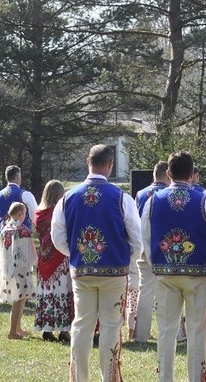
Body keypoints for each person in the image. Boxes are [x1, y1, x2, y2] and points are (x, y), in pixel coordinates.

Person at [51, 144, 142, 382]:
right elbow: (136, 238)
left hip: (82, 271)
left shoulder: (68, 197)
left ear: (87, 161)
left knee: (82, 324)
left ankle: (79, 378)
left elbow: (57, 236)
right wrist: (125, 258)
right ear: (110, 164)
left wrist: (76, 254)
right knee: (111, 327)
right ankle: (109, 377)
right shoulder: (121, 197)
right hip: (114, 272)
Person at [144, 151, 206, 382]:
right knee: (197, 331)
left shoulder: (153, 201)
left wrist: (157, 263)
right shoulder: (205, 202)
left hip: (165, 273)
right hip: (197, 275)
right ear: (192, 174)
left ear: (168, 173)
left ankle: (165, 378)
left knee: (166, 331)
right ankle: (196, 378)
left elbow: (146, 238)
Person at [132, 160, 169, 343]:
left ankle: (141, 335)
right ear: (167, 174)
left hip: (144, 248)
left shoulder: (140, 193)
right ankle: (173, 333)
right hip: (165, 249)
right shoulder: (167, 194)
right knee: (169, 293)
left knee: (145, 292)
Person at [33, 179, 73, 343]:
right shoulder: (58, 212)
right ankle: (64, 330)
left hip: (43, 256)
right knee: (63, 292)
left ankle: (47, 328)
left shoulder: (38, 213)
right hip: (59, 256)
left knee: (47, 292)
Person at [0, 202, 37, 339]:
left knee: (21, 297)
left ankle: (18, 328)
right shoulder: (21, 229)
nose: (25, 216)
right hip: (20, 267)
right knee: (19, 299)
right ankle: (13, 330)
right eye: (24, 213)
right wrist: (35, 262)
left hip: (9, 267)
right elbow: (29, 249)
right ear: (19, 213)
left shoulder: (5, 228)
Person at [0, 165, 38, 235]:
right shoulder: (25, 194)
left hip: (3, 236)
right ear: (17, 176)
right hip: (21, 236)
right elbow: (35, 215)